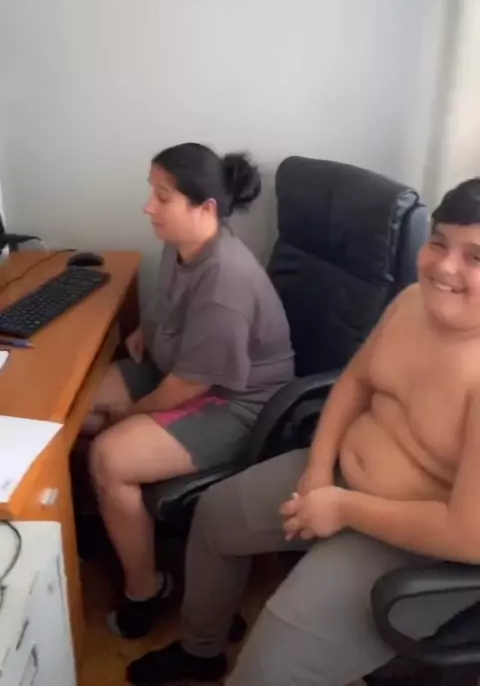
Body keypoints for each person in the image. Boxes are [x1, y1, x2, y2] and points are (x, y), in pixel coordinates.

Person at [127, 178, 480, 686]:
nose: (445, 267)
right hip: (335, 479)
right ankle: (200, 650)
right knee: (215, 517)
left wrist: (343, 508)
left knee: (268, 668)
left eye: (475, 256)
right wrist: (318, 468)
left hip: (408, 538)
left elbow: (467, 535)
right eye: (439, 243)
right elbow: (354, 382)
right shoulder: (411, 302)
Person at [88, 143, 295, 639]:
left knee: (109, 455)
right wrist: (148, 330)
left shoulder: (227, 281)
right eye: (152, 192)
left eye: (163, 197)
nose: (148, 207)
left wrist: (129, 414)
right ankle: (116, 521)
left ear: (206, 208)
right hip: (180, 369)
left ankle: (146, 589)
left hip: (235, 401)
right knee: (77, 408)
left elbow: (190, 385)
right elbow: (172, 304)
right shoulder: (181, 242)